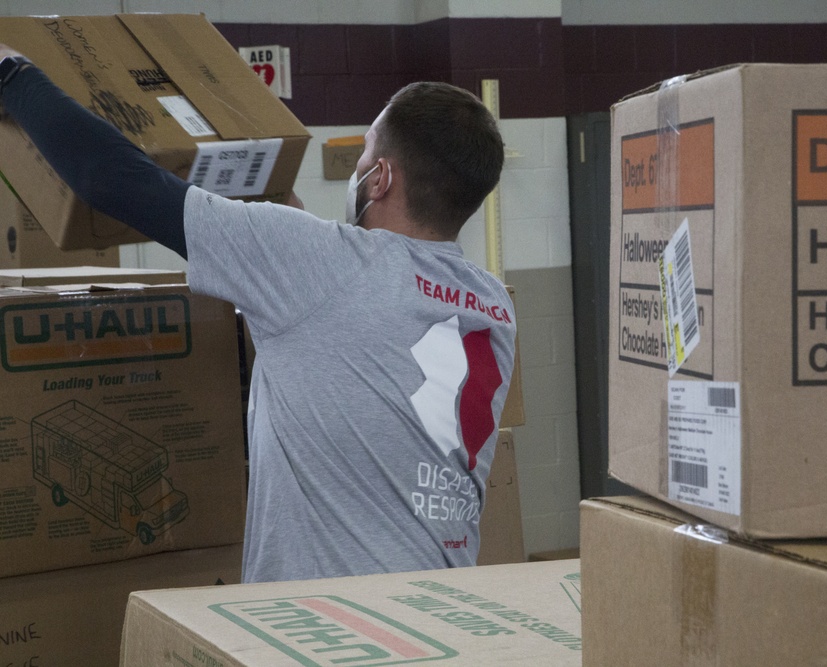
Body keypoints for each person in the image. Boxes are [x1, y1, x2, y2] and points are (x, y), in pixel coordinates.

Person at [0, 45, 516, 583]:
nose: (358, 171)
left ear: (380, 179)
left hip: (330, 630)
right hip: (446, 612)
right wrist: (289, 244)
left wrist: (13, 76)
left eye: (363, 157)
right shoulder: (493, 306)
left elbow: (110, 177)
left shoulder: (314, 265)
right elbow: (363, 301)